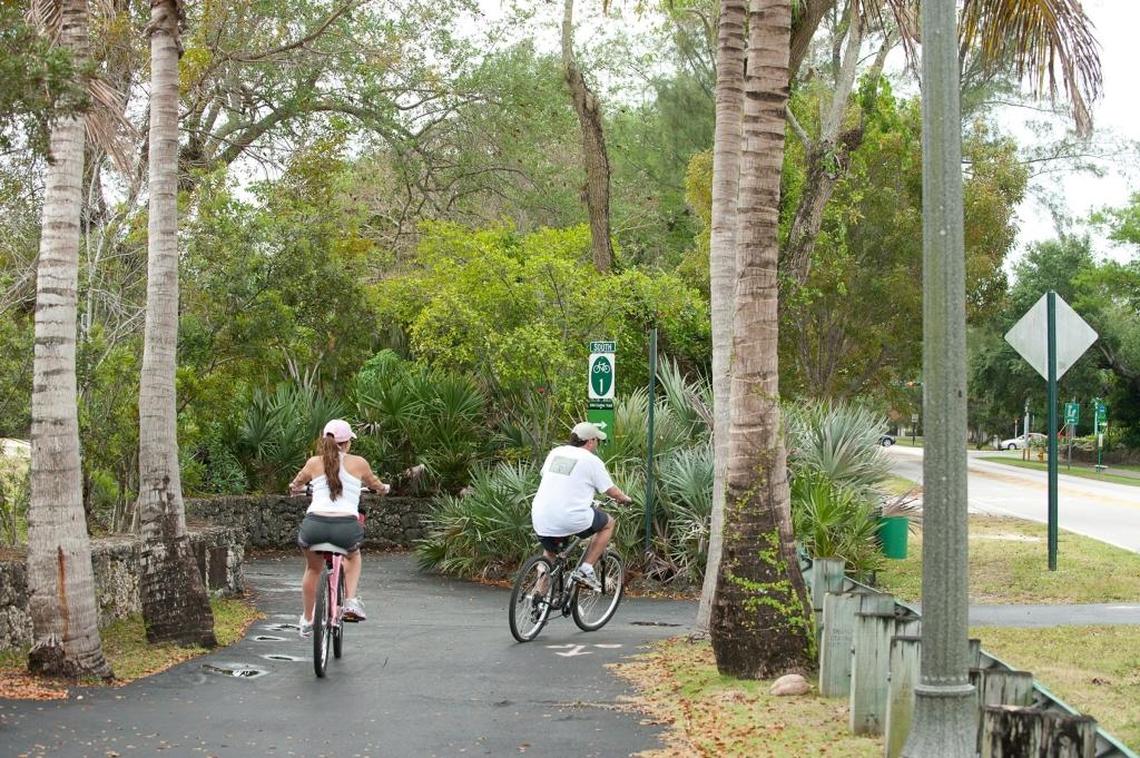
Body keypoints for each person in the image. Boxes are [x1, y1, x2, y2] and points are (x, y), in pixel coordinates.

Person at [289, 419, 390, 639]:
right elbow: (375, 484)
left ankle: (307, 620)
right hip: (345, 528)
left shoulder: (313, 463)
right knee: (353, 556)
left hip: (314, 526)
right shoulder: (359, 463)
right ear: (347, 443)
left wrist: (296, 488)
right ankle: (351, 601)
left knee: (313, 569)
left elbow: (296, 483)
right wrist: (383, 489)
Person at [531, 421, 632, 591]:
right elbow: (611, 491)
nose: (597, 444)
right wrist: (625, 498)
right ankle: (586, 569)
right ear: (590, 441)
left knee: (549, 554)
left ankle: (539, 598)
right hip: (569, 517)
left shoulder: (555, 452)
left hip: (541, 515)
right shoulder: (591, 460)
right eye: (596, 440)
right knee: (608, 523)